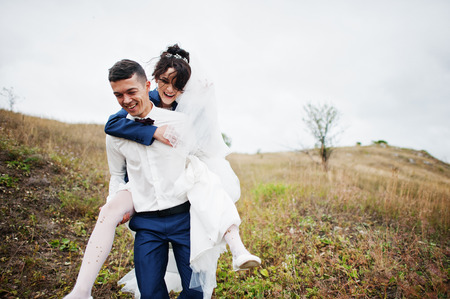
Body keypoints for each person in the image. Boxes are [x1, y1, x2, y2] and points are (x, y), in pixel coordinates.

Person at [64, 46, 260, 299]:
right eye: (165, 82)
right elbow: (112, 128)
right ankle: (81, 291)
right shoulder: (129, 115)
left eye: (178, 86)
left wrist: (205, 95)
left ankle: (237, 247)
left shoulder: (185, 111)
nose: (170, 89)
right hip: (144, 199)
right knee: (113, 215)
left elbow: (204, 138)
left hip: (182, 194)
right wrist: (153, 132)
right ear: (153, 82)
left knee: (207, 183)